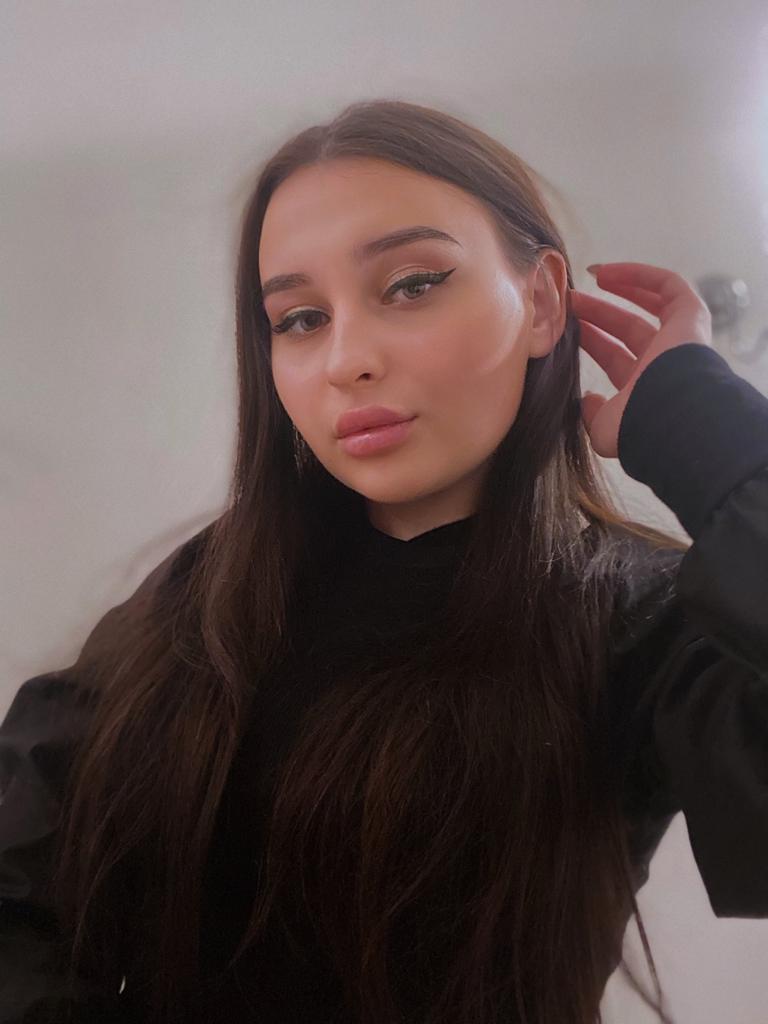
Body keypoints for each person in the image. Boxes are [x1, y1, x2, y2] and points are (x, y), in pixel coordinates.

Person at [1, 98, 767, 1024]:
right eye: (299, 318)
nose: (347, 359)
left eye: (411, 285)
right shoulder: (205, 596)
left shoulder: (642, 617)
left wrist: (708, 433)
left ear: (540, 301)